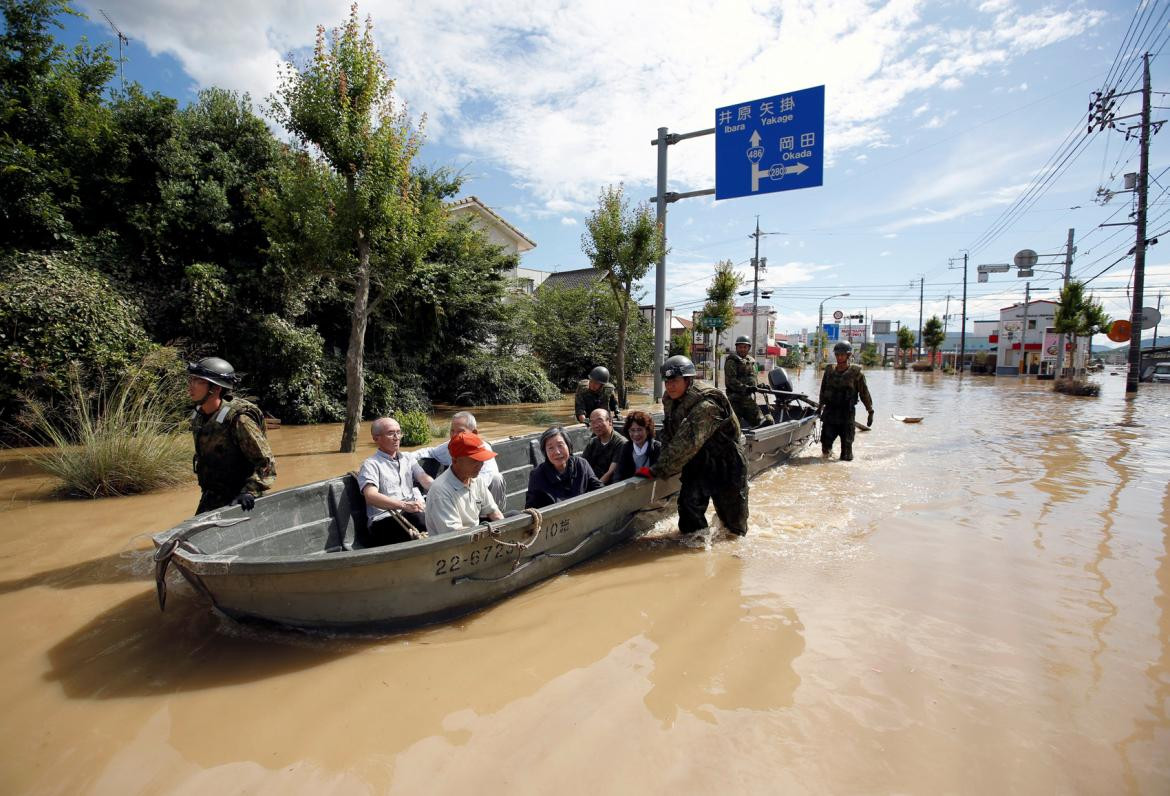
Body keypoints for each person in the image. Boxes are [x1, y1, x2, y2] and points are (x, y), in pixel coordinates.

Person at [639, 355, 749, 537]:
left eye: (674, 381)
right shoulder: (671, 399)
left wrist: (658, 470)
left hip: (726, 460)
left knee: (733, 523)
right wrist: (658, 461)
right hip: (698, 458)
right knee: (689, 506)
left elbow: (686, 442)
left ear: (688, 380)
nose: (670, 386)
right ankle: (694, 548)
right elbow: (669, 433)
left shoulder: (707, 405)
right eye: (667, 381)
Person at [187, 357, 276, 515]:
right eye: (191, 379)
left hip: (241, 499)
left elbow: (265, 462)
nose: (191, 386)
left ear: (215, 389)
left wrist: (250, 492)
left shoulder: (239, 420)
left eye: (198, 381)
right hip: (212, 496)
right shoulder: (198, 416)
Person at [358, 417, 429, 543]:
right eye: (391, 433)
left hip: (411, 512)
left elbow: (424, 479)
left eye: (399, 432)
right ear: (376, 438)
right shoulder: (370, 464)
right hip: (384, 519)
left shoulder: (408, 458)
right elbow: (370, 496)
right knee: (421, 524)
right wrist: (404, 505)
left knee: (435, 519)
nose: (397, 437)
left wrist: (443, 489)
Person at [414, 411, 506, 508]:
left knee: (496, 478)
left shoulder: (483, 449)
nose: (454, 436)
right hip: (460, 494)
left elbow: (483, 482)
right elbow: (430, 452)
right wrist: (405, 456)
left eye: (460, 432)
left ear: (474, 433)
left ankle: (494, 518)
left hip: (481, 496)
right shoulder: (450, 446)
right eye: (452, 431)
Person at [425, 431, 504, 536]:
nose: (481, 465)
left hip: (473, 535)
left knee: (514, 515)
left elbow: (494, 512)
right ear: (455, 461)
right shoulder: (440, 491)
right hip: (453, 546)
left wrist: (506, 530)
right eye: (474, 460)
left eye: (482, 459)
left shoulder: (477, 480)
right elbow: (454, 535)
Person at [818, 341, 874, 462]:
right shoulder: (829, 371)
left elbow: (864, 394)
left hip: (847, 415)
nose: (839, 357)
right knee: (825, 444)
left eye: (842, 355)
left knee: (846, 453)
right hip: (830, 413)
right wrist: (819, 407)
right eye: (837, 354)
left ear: (848, 356)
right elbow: (823, 391)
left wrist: (870, 411)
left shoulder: (856, 374)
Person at [524, 426, 603, 509]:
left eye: (560, 445)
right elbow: (531, 509)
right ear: (545, 452)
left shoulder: (581, 464)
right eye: (550, 448)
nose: (557, 452)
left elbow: (599, 489)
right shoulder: (537, 475)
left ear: (568, 446)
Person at [725, 334, 766, 428]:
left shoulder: (751, 361)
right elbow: (731, 381)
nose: (742, 349)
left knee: (760, 421)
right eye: (740, 347)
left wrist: (760, 386)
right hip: (735, 399)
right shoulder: (732, 361)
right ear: (736, 348)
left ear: (749, 348)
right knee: (734, 427)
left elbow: (753, 379)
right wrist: (746, 388)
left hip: (747, 398)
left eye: (745, 347)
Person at [582, 408, 627, 485]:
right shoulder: (593, 442)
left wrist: (595, 489)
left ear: (610, 421)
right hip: (593, 481)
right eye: (592, 422)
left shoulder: (621, 443)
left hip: (610, 486)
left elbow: (610, 473)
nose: (596, 425)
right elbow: (583, 466)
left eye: (599, 421)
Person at [615, 410, 662, 480]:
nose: (636, 434)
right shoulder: (626, 447)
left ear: (647, 430)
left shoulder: (657, 448)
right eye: (632, 430)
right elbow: (619, 473)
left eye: (639, 429)